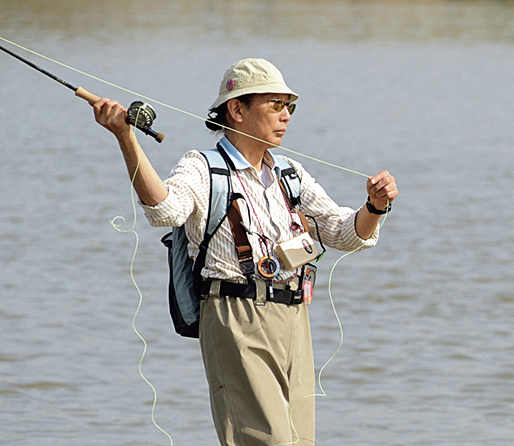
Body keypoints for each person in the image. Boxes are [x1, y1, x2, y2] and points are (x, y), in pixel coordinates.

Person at [92, 58, 398, 446]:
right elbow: (164, 209)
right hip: (234, 317)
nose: (286, 115)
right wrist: (126, 138)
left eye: (290, 106)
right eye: (275, 105)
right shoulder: (201, 166)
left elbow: (342, 232)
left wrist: (374, 207)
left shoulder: (290, 173)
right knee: (264, 441)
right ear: (236, 110)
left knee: (300, 442)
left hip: (294, 319)